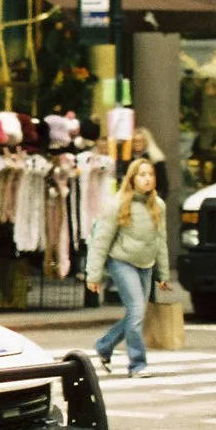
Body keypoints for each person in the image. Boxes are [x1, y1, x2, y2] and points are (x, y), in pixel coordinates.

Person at [85, 157, 170, 377]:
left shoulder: (158, 205)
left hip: (146, 263)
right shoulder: (117, 203)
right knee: (137, 310)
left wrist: (163, 274)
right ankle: (137, 365)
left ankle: (104, 346)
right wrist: (93, 275)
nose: (147, 179)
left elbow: (160, 240)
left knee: (136, 313)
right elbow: (101, 241)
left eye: (150, 174)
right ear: (132, 179)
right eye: (142, 175)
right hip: (121, 261)